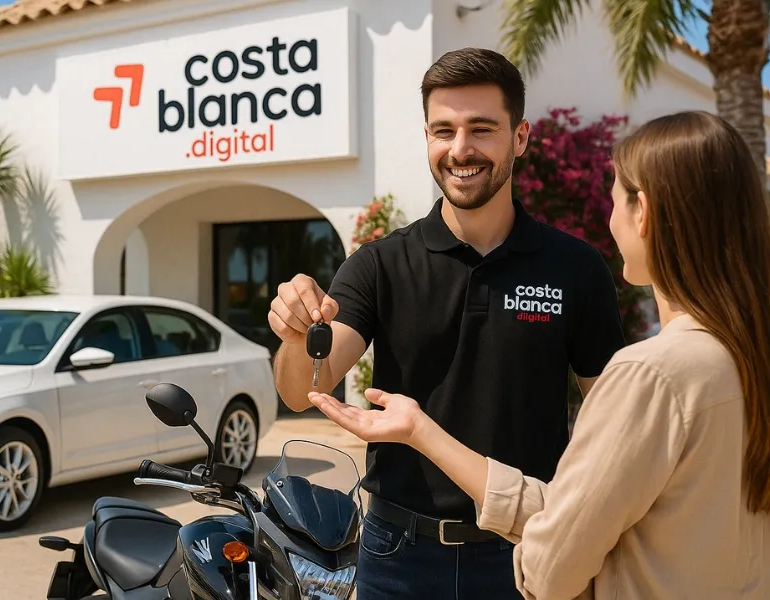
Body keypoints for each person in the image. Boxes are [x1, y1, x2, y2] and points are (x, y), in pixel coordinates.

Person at [309, 110, 770, 600]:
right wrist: (420, 431)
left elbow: (552, 569)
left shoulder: (649, 375)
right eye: (443, 129)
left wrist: (540, 541)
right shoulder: (747, 358)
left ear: (644, 213)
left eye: (613, 196)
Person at [268, 48, 625, 599]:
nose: (461, 149)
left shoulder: (576, 268)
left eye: (482, 129)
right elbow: (302, 389)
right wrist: (296, 336)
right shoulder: (380, 263)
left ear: (521, 137)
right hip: (397, 555)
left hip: (525, 549)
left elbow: (609, 424)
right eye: (444, 130)